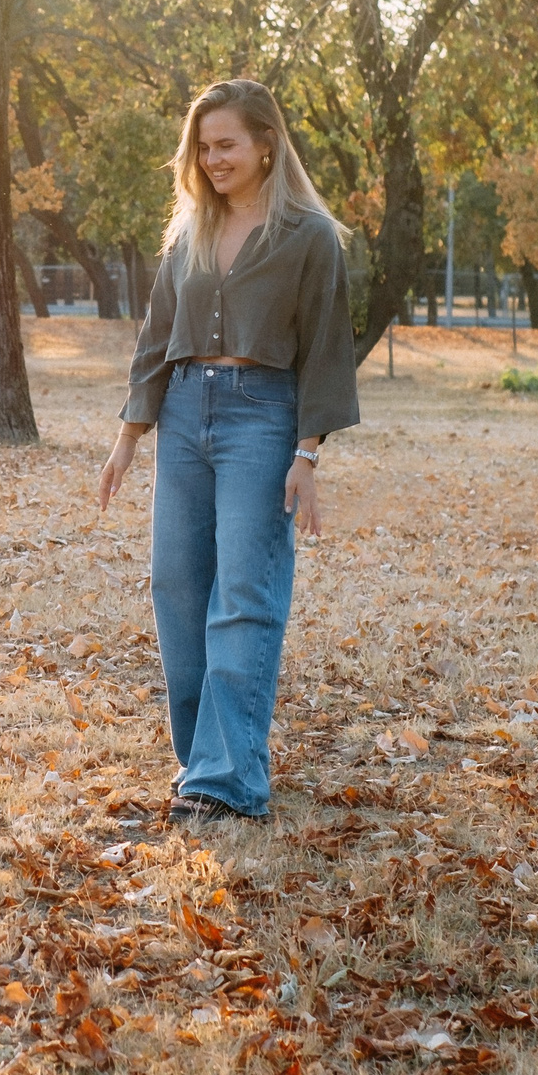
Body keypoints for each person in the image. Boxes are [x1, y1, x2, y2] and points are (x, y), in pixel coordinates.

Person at [98, 80, 359, 824]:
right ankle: (201, 762)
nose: (212, 159)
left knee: (243, 593)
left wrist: (307, 453)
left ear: (266, 143)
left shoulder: (308, 235)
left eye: (226, 144)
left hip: (261, 414)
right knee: (177, 585)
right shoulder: (187, 232)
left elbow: (325, 349)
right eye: (202, 147)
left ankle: (229, 780)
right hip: (183, 413)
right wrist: (128, 436)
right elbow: (157, 334)